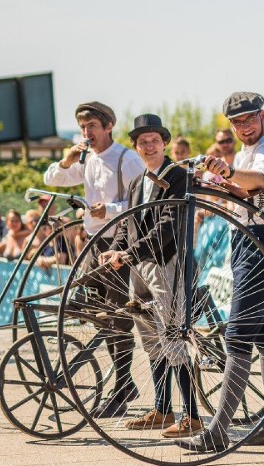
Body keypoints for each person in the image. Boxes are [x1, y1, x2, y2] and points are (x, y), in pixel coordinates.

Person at [178, 91, 264, 452]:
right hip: (248, 242)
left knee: (238, 335)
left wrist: (228, 173)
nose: (243, 128)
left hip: (263, 244)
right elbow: (248, 189)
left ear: (262, 117)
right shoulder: (247, 150)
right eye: (236, 123)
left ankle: (218, 430)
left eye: (248, 120)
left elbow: (258, 179)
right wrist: (225, 184)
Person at [97, 114, 202, 437]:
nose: (149, 146)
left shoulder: (177, 176)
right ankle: (161, 408)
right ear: (136, 148)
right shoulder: (136, 182)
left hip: (166, 263)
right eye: (143, 142)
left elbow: (168, 227)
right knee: (151, 341)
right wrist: (115, 250)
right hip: (139, 266)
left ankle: (193, 416)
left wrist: (129, 253)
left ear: (165, 143)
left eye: (154, 140)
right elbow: (127, 226)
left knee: (171, 337)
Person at [44, 101, 145, 420]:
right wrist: (66, 160)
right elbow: (52, 181)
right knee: (86, 304)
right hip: (92, 241)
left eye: (92, 127)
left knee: (117, 318)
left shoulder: (127, 159)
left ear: (108, 127)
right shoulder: (85, 158)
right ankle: (120, 379)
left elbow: (140, 202)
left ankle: (123, 384)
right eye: (83, 127)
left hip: (120, 241)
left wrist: (110, 210)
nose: (87, 133)